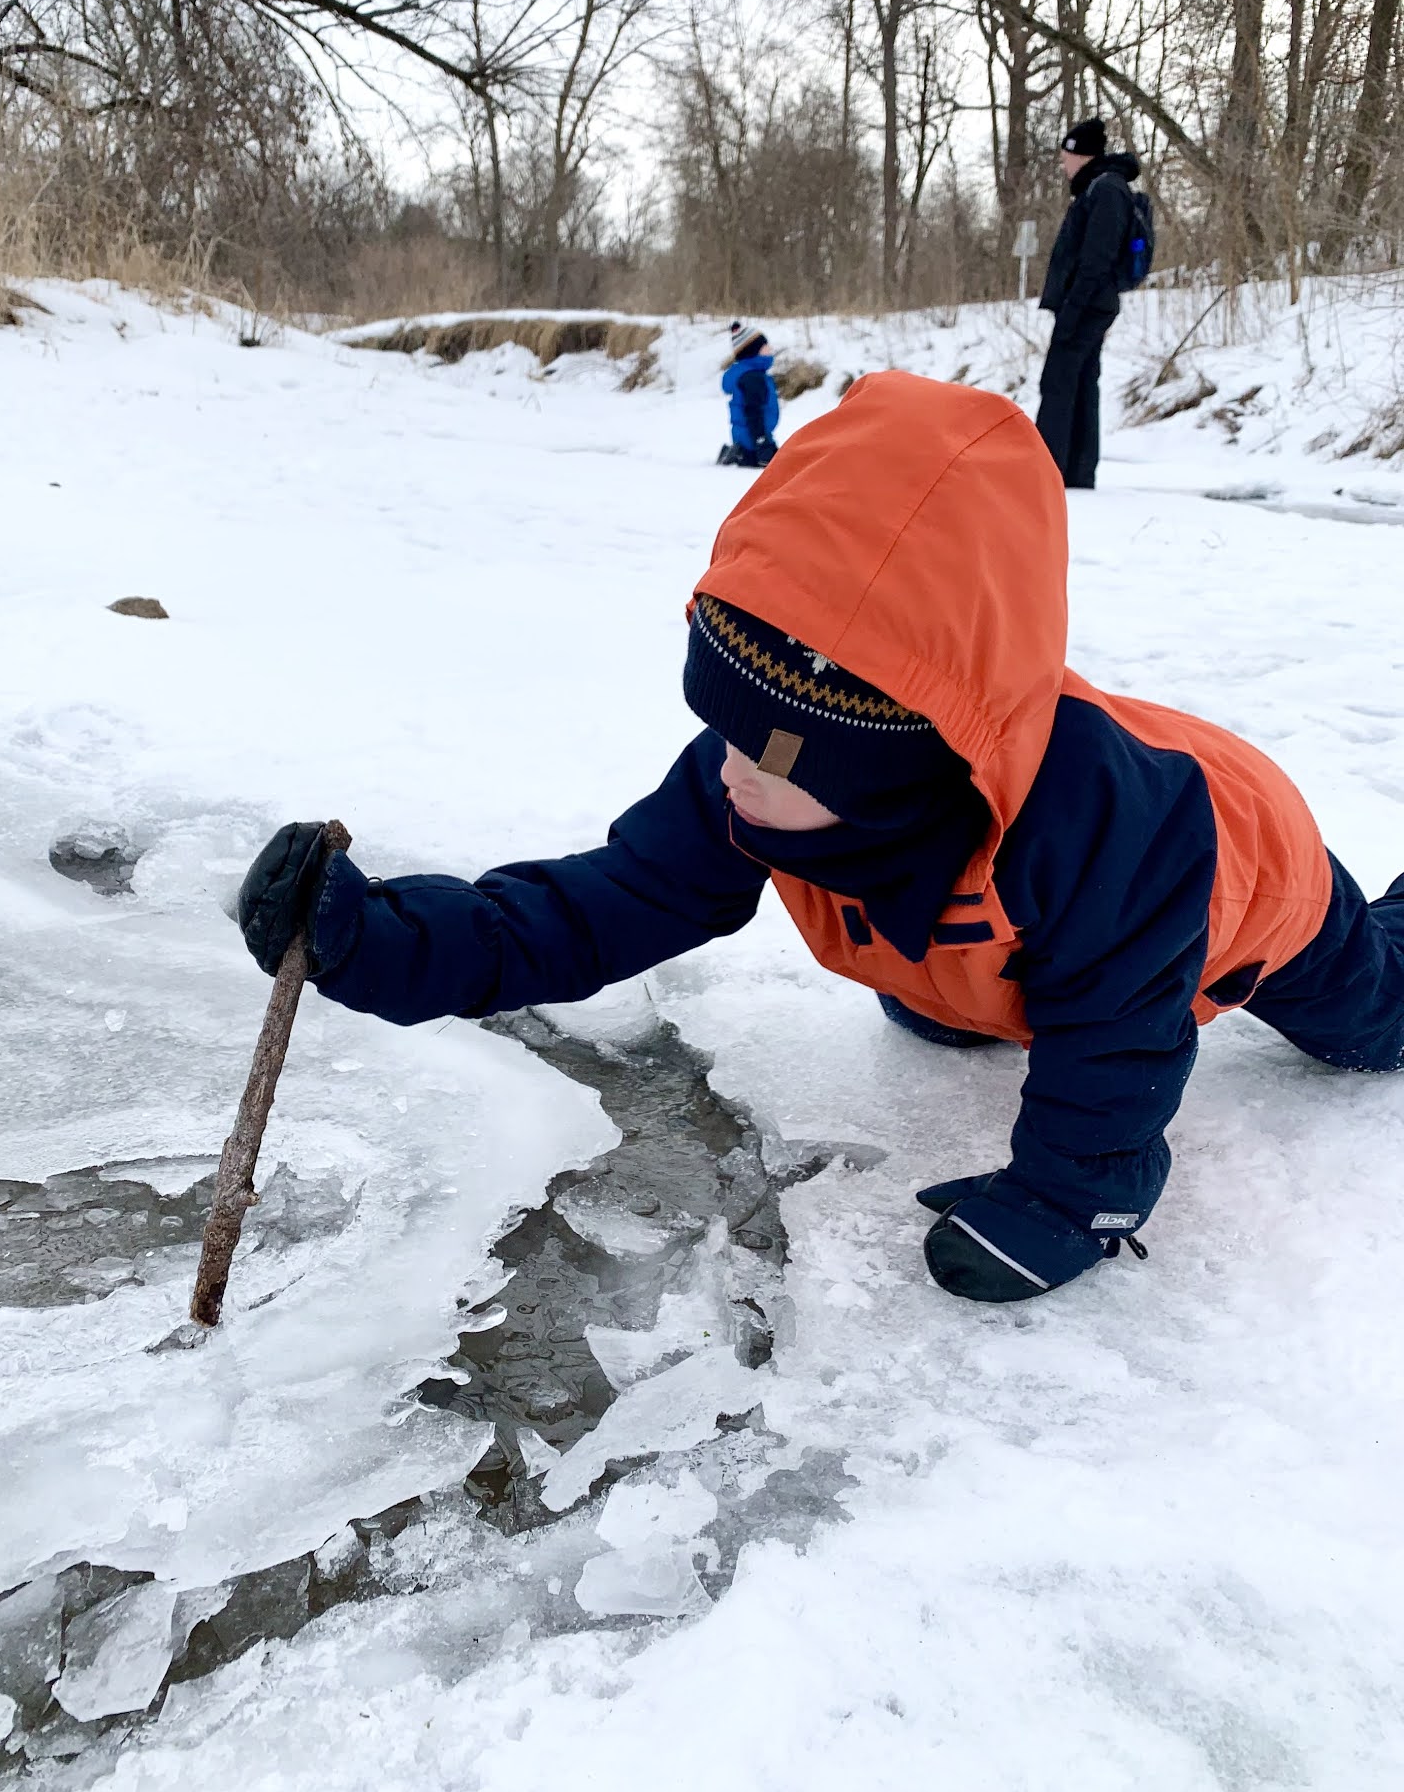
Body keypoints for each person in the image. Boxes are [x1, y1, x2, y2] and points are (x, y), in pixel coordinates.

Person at [238, 372, 1404, 1307]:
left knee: (1376, 1021)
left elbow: (1120, 1039)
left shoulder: (1110, 829)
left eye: (777, 751)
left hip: (1251, 891)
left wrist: (1064, 1203)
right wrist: (371, 941)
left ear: (896, 765)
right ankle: (955, 988)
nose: (732, 769)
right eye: (720, 723)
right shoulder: (755, 780)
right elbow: (600, 904)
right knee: (956, 997)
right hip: (996, 936)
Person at [1036, 116, 1142, 491]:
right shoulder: (1097, 189)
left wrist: (1073, 308)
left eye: (1066, 156)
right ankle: (1072, 476)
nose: (1063, 164)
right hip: (1088, 304)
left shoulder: (1107, 190)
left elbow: (1096, 259)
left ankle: (1048, 475)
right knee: (1079, 384)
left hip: (1087, 305)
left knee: (1059, 384)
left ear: (1081, 155)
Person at [717, 322, 779, 468]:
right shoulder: (752, 378)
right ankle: (739, 455)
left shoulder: (751, 374)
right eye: (765, 346)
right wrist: (761, 442)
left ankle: (738, 452)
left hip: (753, 436)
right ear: (753, 351)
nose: (770, 349)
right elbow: (753, 411)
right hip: (754, 440)